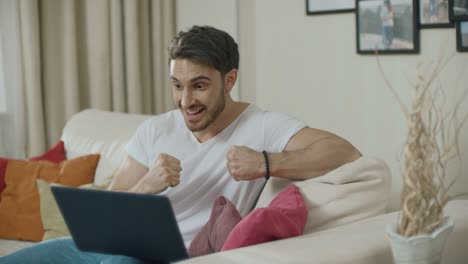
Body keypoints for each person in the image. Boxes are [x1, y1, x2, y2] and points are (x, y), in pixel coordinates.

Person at [0, 25, 362, 264]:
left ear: (230, 79)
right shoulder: (155, 130)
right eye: (177, 85)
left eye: (199, 85)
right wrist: (148, 185)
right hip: (112, 246)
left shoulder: (262, 125)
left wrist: (266, 163)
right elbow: (111, 210)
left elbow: (346, 154)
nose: (185, 100)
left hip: (169, 256)